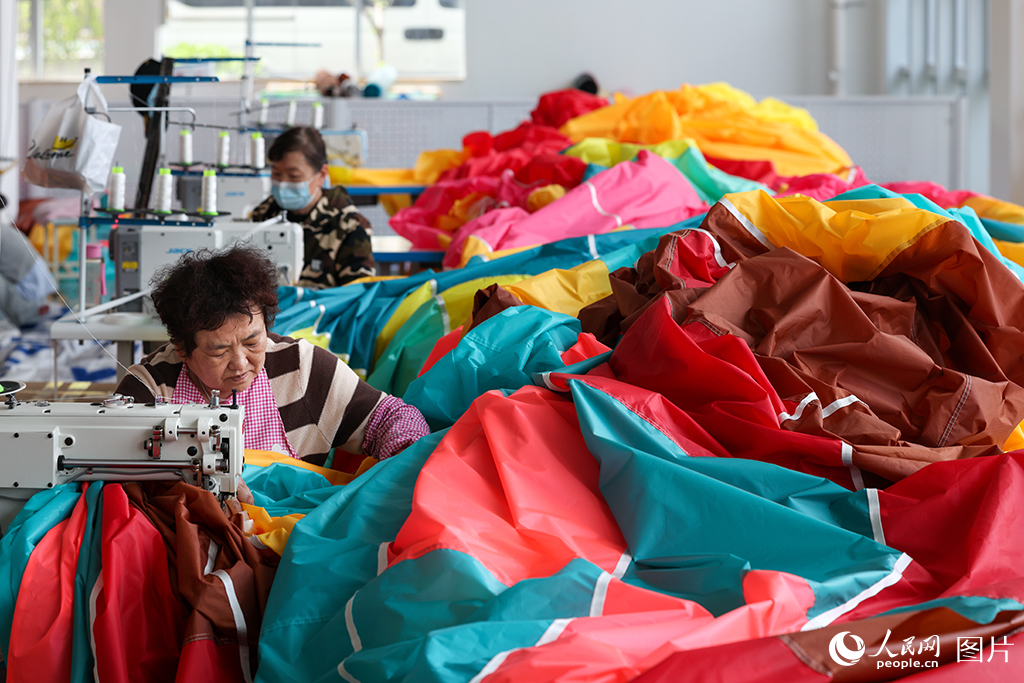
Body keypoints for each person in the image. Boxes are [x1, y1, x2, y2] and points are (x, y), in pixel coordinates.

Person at [115, 244, 429, 464]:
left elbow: (390, 416)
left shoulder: (302, 371)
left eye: (253, 343)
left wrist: (406, 455)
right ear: (182, 348)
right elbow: (112, 467)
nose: (240, 363)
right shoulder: (151, 388)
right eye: (219, 351)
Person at [250, 126, 375, 288]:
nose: (282, 184)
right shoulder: (264, 214)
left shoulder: (349, 226)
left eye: (294, 176)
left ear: (322, 175)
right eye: (276, 174)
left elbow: (356, 298)